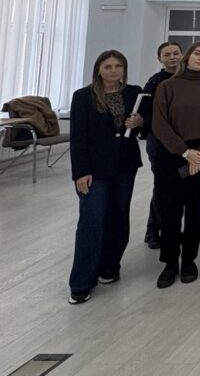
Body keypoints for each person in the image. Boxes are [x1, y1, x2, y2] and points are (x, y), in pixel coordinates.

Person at [67, 51, 144, 304]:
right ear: (98, 69)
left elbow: (145, 127)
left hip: (125, 164)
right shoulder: (83, 97)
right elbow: (78, 137)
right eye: (108, 66)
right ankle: (81, 282)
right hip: (94, 169)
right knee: (92, 221)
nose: (113, 70)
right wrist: (80, 172)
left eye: (118, 66)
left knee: (118, 216)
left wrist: (140, 122)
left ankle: (109, 267)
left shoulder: (133, 93)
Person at [151, 42, 200, 288]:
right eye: (198, 53)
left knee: (196, 209)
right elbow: (159, 123)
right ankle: (170, 261)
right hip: (171, 154)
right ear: (188, 56)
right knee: (169, 209)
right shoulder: (167, 86)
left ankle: (189, 260)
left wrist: (199, 154)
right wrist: (185, 152)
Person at [140, 42, 182, 250]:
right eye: (167, 54)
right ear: (160, 59)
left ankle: (171, 228)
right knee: (163, 187)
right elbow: (145, 114)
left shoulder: (189, 78)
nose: (172, 57)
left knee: (179, 188)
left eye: (176, 53)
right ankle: (154, 231)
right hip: (160, 142)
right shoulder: (154, 82)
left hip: (184, 142)